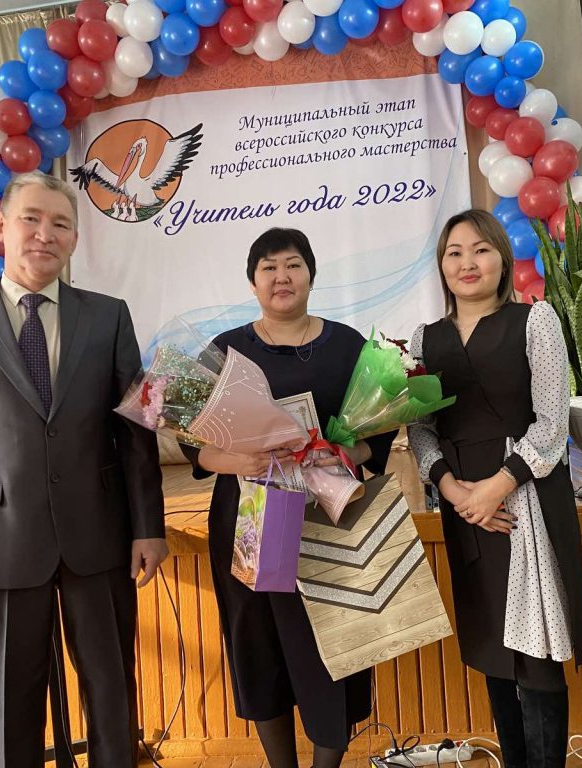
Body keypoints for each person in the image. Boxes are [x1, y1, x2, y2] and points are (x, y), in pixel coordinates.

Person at [0, 171, 168, 768]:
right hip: (0, 541)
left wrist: (148, 527)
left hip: (98, 537)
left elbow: (134, 433)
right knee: (11, 705)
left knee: (112, 694)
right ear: (1, 227)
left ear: (75, 239)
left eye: (61, 224)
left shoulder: (108, 317)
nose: (45, 235)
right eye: (31, 219)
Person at [182, 227, 395, 768]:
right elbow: (193, 443)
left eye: (293, 264)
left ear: (311, 276)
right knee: (260, 645)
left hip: (331, 514)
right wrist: (239, 461)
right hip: (252, 517)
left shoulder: (349, 346)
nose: (282, 276)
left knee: (334, 642)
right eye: (269, 267)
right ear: (252, 282)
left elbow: (379, 435)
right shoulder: (224, 352)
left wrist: (340, 451)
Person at [408, 210, 582, 768]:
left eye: (481, 250)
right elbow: (420, 428)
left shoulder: (535, 321)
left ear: (503, 261)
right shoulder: (424, 340)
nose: (468, 262)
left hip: (526, 497)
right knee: (494, 647)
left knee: (537, 655)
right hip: (463, 503)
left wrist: (497, 488)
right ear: (442, 266)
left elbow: (552, 423)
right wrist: (454, 491)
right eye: (455, 252)